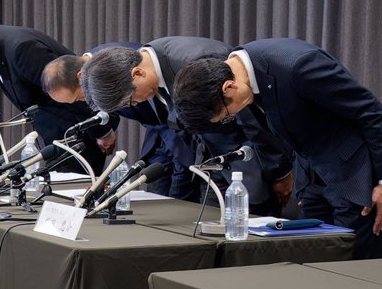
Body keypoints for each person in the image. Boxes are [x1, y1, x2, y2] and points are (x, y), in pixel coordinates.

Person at [172, 38, 382, 259]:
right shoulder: (245, 76)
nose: (230, 118)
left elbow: (370, 112)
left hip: (356, 174)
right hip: (314, 177)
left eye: (225, 116)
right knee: (314, 263)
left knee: (353, 266)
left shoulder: (298, 66)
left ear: (228, 87)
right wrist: (305, 184)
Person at [80, 37, 293, 215]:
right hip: (213, 163)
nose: (135, 105)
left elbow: (254, 119)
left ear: (137, 73)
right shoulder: (153, 68)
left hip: (251, 164)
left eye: (129, 100)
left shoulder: (197, 63)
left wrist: (280, 172)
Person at [0, 24, 117, 175]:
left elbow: (74, 88)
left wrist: (102, 131)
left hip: (78, 135)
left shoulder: (21, 50)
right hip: (57, 138)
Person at [41, 47, 196, 200]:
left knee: (182, 196)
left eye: (76, 99)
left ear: (81, 77)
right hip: (160, 136)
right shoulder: (97, 74)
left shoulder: (113, 66)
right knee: (159, 196)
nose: (82, 104)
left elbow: (161, 95)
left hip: (187, 133)